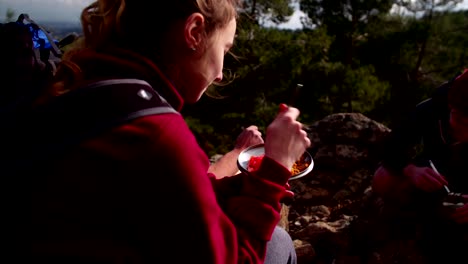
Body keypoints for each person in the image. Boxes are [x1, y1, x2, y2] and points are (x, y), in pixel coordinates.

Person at [13, 0, 310, 263]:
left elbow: (154, 197)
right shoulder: (154, 133)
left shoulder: (85, 83)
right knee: (279, 243)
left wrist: (238, 187)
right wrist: (275, 170)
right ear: (194, 32)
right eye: (225, 49)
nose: (220, 73)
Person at [371, 69, 468, 263]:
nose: (462, 133)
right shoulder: (433, 108)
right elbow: (390, 146)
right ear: (450, 107)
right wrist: (410, 169)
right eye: (459, 121)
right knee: (383, 178)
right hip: (437, 180)